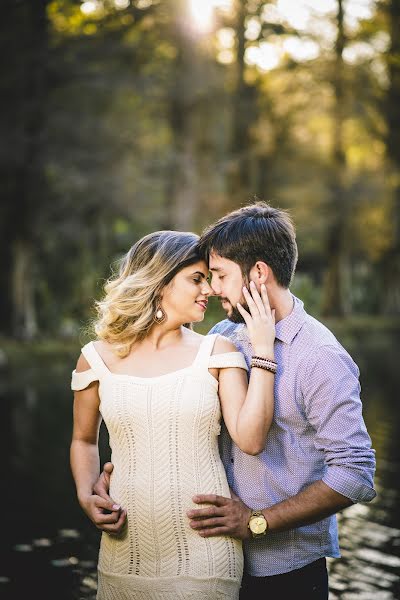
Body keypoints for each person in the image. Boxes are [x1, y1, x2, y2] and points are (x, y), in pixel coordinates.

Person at [94, 203, 376, 600]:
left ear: (259, 273)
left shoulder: (320, 358)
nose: (214, 289)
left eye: (221, 275)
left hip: (284, 573)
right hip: (209, 561)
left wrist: (257, 522)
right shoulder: (226, 334)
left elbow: (356, 473)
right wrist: (119, 478)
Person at [70, 229, 277, 600]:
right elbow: (83, 440)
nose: (209, 290)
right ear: (159, 281)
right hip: (122, 552)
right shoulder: (95, 358)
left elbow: (251, 439)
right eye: (196, 279)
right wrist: (87, 496)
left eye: (209, 279)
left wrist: (263, 351)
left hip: (206, 556)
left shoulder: (217, 350)